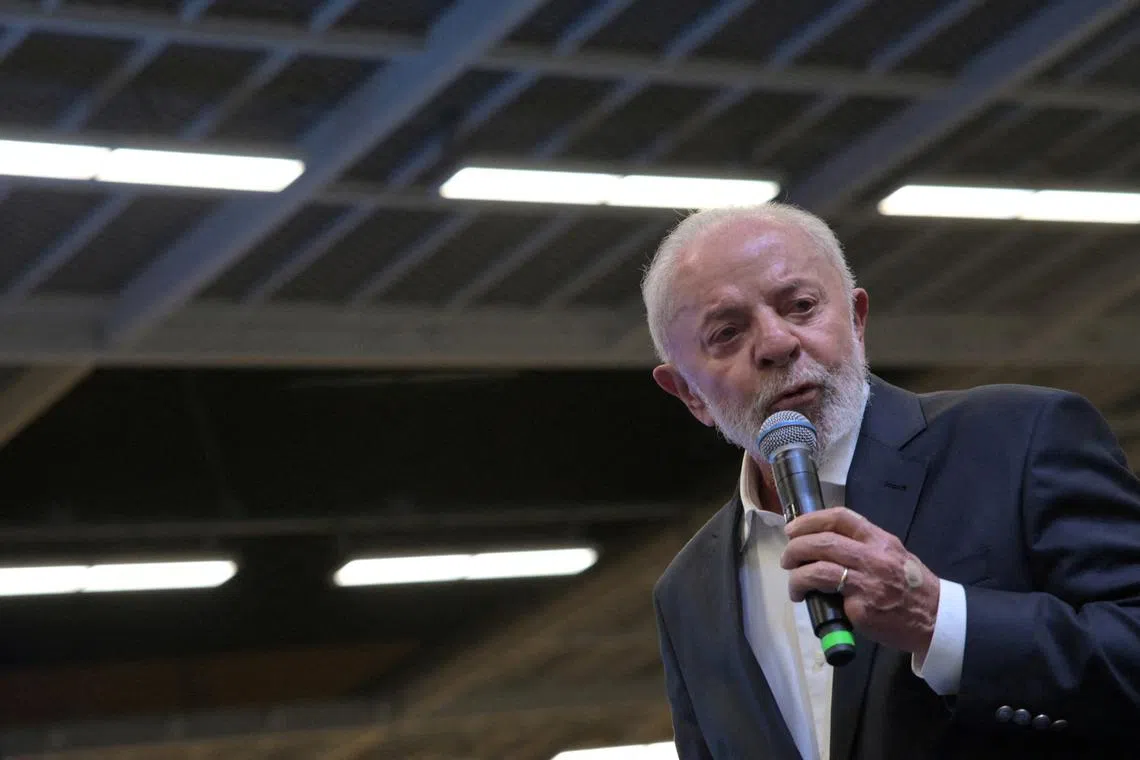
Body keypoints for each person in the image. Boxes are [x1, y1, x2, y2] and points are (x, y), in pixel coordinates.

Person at [643, 201, 1140, 760]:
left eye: (801, 306)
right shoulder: (686, 591)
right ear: (687, 393)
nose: (778, 343)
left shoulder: (1019, 440)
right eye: (728, 332)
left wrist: (940, 620)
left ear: (856, 319)